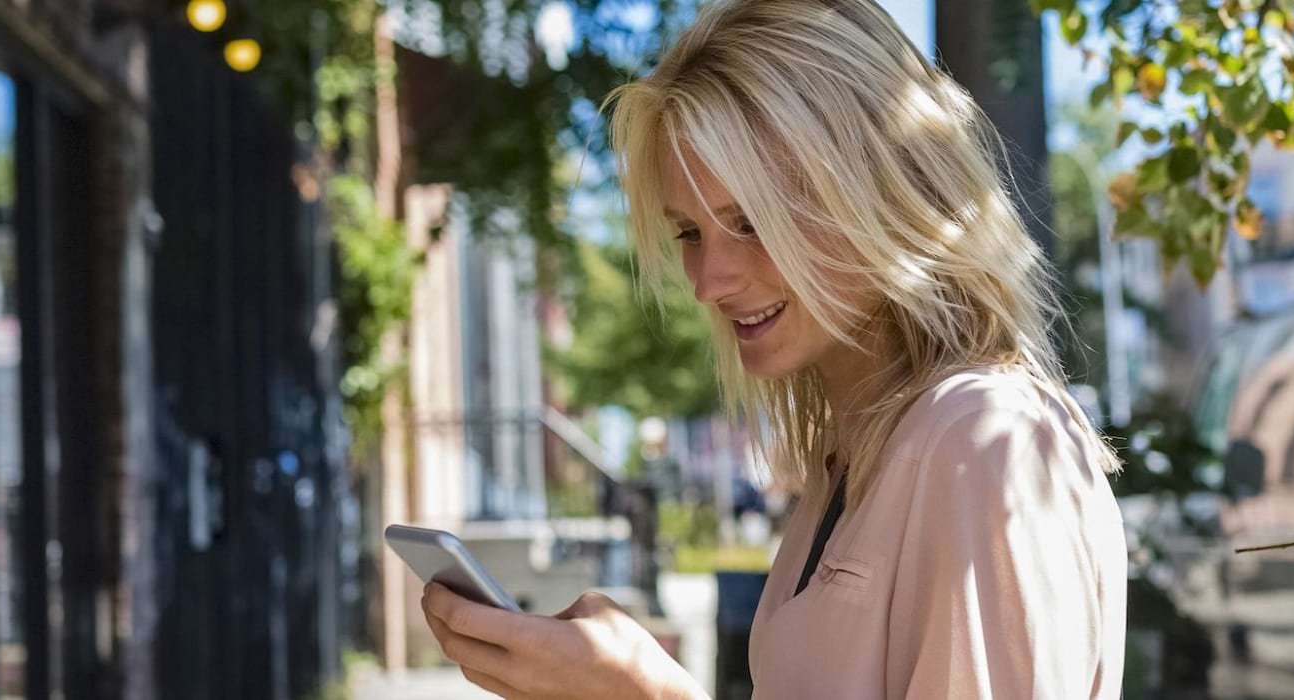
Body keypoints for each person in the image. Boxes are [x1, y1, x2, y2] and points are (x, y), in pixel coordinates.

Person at [419, 0, 1127, 696]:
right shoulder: (847, 466)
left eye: (752, 220)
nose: (707, 281)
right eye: (689, 233)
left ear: (877, 192)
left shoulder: (982, 441)